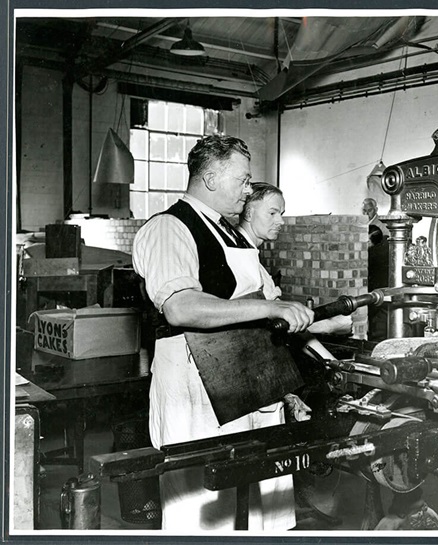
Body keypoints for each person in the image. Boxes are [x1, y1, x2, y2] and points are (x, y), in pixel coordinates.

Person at [132, 135, 315, 531]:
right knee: (201, 506)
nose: (248, 190)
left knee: (259, 497)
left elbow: (257, 301)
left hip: (245, 377)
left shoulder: (228, 233)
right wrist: (269, 307)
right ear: (211, 178)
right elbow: (180, 306)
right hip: (194, 381)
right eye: (243, 180)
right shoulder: (170, 227)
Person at [237, 182, 352, 336]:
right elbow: (271, 324)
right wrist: (330, 326)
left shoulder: (248, 253)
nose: (281, 221)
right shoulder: (240, 255)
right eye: (272, 213)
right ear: (249, 213)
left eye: (281, 214)